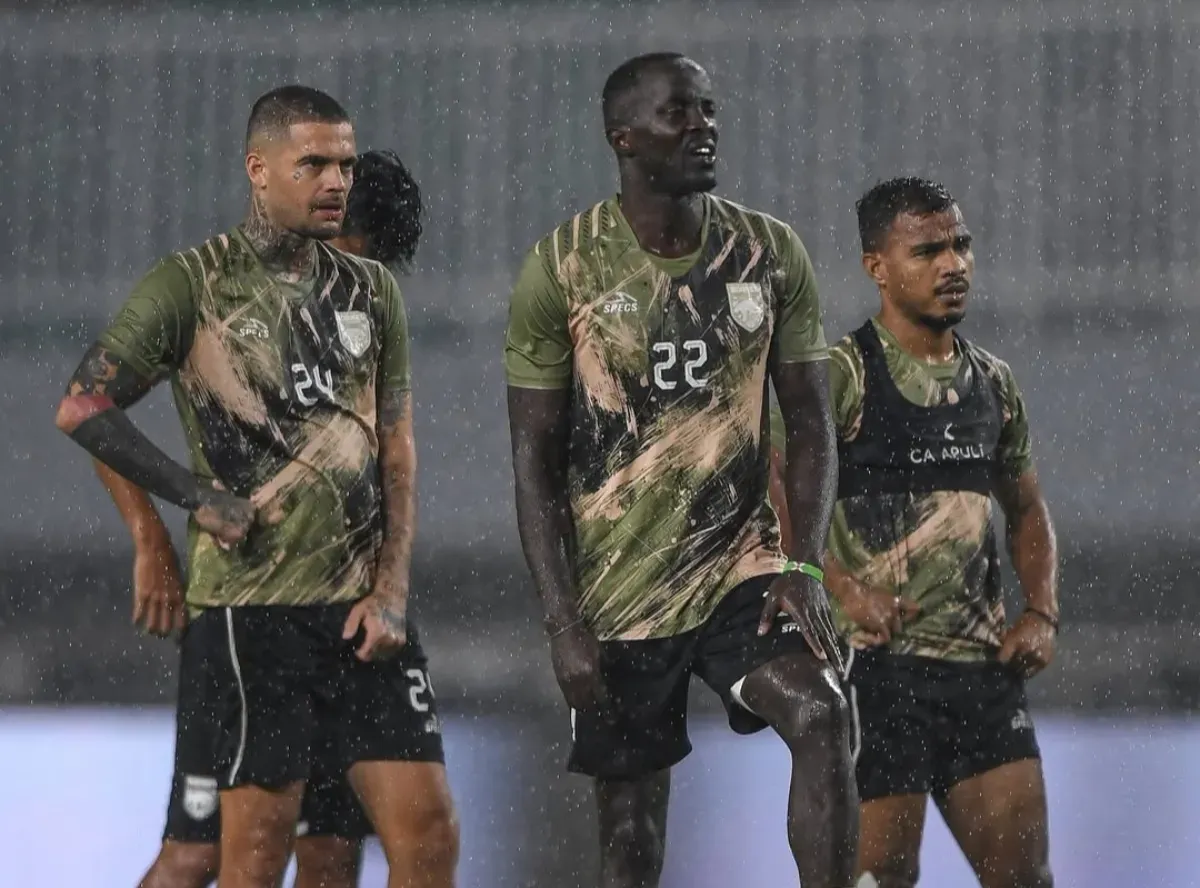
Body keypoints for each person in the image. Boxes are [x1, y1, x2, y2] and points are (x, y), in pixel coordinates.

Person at [55, 86, 458, 888]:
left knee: (410, 836)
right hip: (250, 617)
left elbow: (397, 450)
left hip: (356, 613)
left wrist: (392, 588)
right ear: (260, 170)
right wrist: (160, 526)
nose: (332, 182)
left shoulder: (370, 294)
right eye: (314, 165)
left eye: (343, 165)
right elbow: (88, 407)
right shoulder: (197, 284)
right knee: (214, 855)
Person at [504, 52, 858, 888]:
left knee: (821, 712)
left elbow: (809, 424)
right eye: (678, 114)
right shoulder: (563, 266)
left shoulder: (767, 252)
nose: (703, 127)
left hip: (743, 567)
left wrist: (802, 564)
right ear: (621, 136)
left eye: (708, 110)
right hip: (621, 586)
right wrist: (562, 623)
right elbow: (534, 461)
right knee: (629, 836)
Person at [769, 177, 1058, 888]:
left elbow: (1026, 509)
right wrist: (838, 590)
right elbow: (768, 487)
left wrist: (1042, 611)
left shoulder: (993, 382)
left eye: (960, 245)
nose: (953, 264)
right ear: (877, 267)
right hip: (875, 675)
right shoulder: (841, 375)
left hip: (981, 675)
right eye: (927, 250)